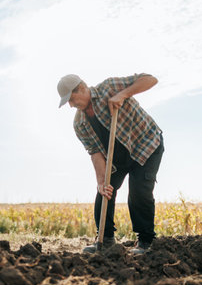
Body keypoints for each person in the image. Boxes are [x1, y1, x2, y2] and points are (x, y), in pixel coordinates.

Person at [57, 73, 164, 254]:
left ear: (82, 87)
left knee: (139, 191)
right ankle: (105, 240)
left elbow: (151, 79)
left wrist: (123, 94)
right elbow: (95, 152)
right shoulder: (79, 124)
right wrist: (101, 181)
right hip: (116, 158)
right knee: (104, 192)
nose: (71, 105)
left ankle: (146, 242)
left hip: (145, 144)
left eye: (71, 99)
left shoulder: (109, 87)